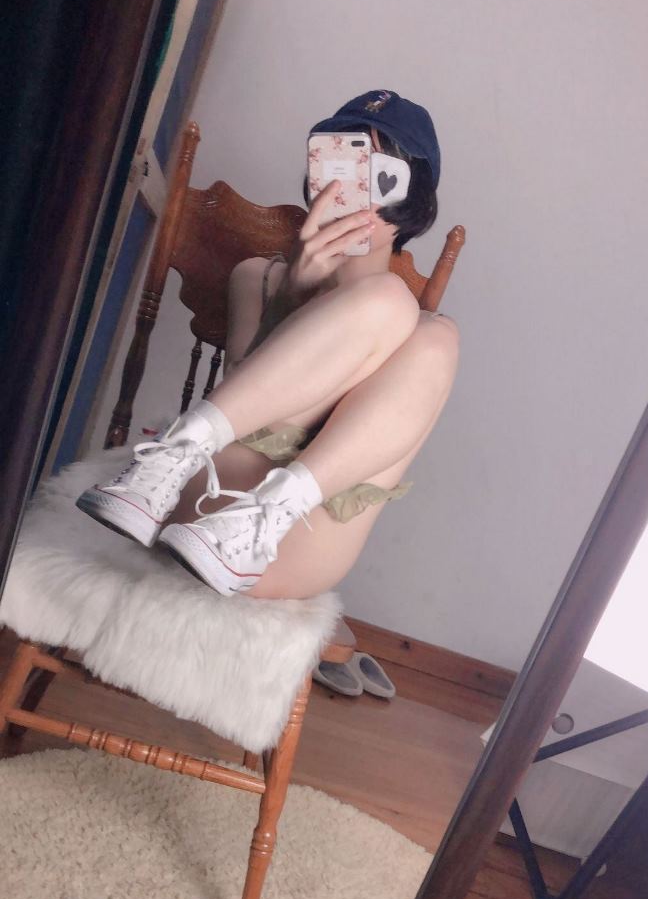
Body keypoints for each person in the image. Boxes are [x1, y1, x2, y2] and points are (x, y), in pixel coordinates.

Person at [76, 90, 459, 599]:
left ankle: (273, 506)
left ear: (412, 199)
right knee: (394, 304)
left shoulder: (417, 334)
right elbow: (244, 394)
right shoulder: (259, 277)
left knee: (436, 334)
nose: (355, 191)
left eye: (377, 171)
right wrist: (291, 297)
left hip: (292, 543)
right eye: (340, 163)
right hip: (208, 503)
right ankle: (173, 455)